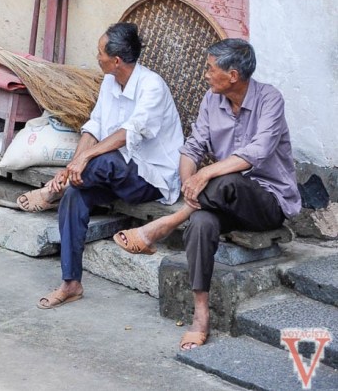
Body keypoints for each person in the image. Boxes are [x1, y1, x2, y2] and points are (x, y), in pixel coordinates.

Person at [112, 38, 301, 350]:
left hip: (266, 202)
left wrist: (206, 173)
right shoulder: (212, 100)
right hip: (219, 199)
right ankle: (201, 315)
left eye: (210, 69)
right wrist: (190, 183)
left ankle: (165, 224)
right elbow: (193, 147)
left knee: (227, 180)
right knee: (201, 223)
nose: (204, 74)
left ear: (233, 75)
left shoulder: (270, 99)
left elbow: (259, 151)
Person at [16, 22, 184, 309]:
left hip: (149, 178)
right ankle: (71, 282)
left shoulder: (151, 86)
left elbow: (129, 133)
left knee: (103, 160)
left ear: (116, 60)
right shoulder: (110, 82)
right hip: (111, 172)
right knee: (74, 196)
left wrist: (83, 160)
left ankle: (49, 192)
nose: (97, 57)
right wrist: (74, 164)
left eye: (100, 53)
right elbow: (94, 128)